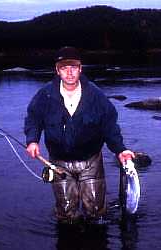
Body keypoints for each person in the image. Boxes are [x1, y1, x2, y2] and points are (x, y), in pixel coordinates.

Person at [24, 46, 134, 223]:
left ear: (80, 69)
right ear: (57, 70)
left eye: (73, 67)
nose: (69, 73)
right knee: (66, 215)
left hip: (90, 161)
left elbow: (109, 124)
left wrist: (120, 150)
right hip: (59, 163)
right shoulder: (45, 95)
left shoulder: (95, 95)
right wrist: (32, 140)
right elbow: (33, 118)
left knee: (96, 214)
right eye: (64, 68)